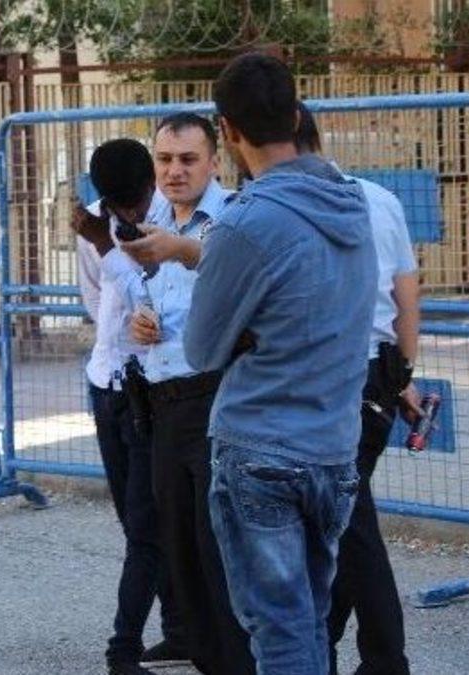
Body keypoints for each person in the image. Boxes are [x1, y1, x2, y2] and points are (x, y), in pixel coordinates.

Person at [183, 53, 377, 674]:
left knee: (281, 633)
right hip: (333, 447)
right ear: (296, 115)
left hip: (262, 449)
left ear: (226, 131)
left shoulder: (244, 223)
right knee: (309, 621)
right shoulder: (353, 205)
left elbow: (200, 348)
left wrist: (251, 335)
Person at [120, 114, 254, 675]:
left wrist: (180, 250)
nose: (174, 171)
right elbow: (146, 299)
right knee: (181, 552)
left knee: (221, 548)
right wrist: (140, 321)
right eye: (165, 160)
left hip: (218, 398)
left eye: (188, 160)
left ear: (214, 162)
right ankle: (207, 658)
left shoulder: (234, 220)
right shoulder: (150, 224)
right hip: (162, 401)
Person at [294, 105, 419, 675]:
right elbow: (406, 297)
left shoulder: (288, 207)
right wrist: (403, 376)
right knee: (344, 517)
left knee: (351, 524)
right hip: (376, 377)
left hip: (334, 380)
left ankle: (384, 659)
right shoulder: (379, 199)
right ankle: (326, 644)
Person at [71, 137, 185, 675]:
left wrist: (109, 248)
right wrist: (104, 243)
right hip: (107, 383)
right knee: (135, 521)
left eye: (137, 203)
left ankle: (124, 647)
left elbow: (159, 298)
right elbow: (98, 303)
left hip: (155, 388)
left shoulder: (172, 219)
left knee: (149, 524)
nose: (132, 215)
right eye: (121, 208)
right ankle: (179, 629)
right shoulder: (95, 223)